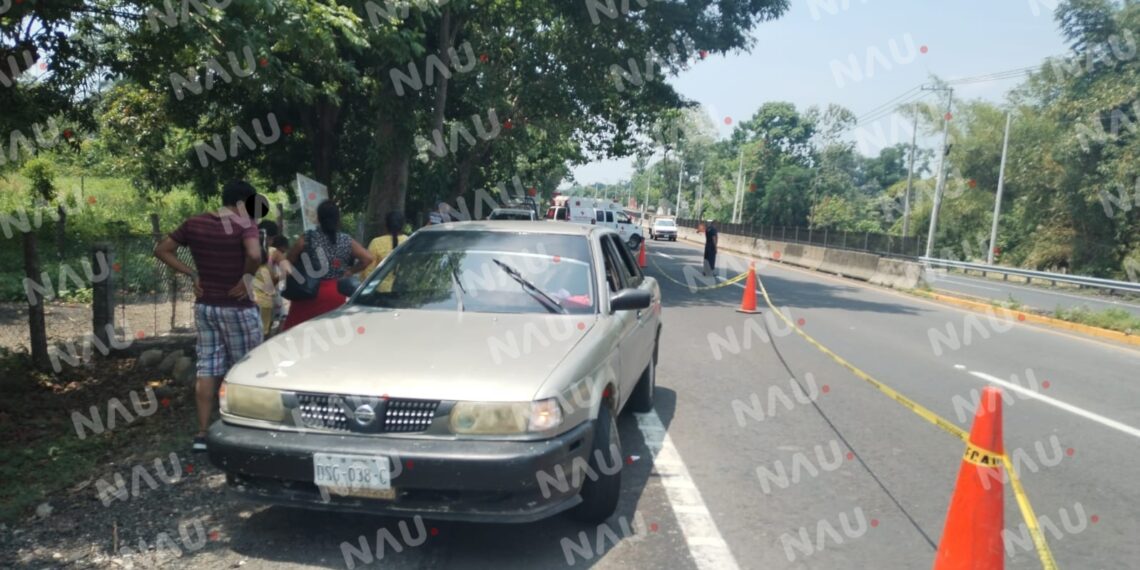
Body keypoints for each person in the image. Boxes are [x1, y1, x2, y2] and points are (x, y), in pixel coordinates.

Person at [154, 180, 263, 452]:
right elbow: (253, 252)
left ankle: (202, 433)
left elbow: (162, 249)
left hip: (206, 307)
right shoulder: (245, 223)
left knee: (207, 367)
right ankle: (246, 426)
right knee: (247, 367)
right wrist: (247, 277)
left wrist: (192, 274)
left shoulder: (195, 223)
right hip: (238, 308)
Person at [281, 200, 374, 331]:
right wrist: (350, 271)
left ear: (318, 218)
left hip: (308, 291)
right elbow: (368, 258)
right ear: (338, 219)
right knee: (329, 334)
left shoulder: (307, 238)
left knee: (299, 334)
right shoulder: (346, 240)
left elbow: (289, 260)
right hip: (335, 292)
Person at [363, 210, 408, 275]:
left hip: (379, 284)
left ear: (385, 225)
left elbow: (368, 271)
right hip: (402, 284)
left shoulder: (376, 243)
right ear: (403, 225)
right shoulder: (409, 241)